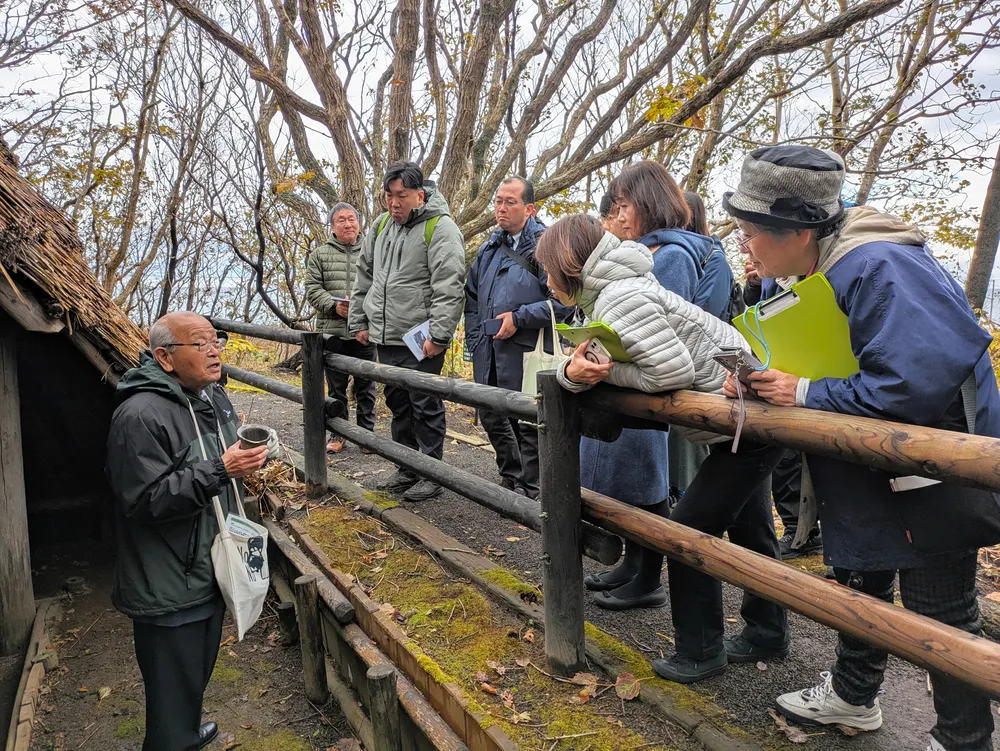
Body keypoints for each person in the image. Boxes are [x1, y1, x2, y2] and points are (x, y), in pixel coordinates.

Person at [722, 144, 1000, 749]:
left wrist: (804, 390)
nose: (745, 244)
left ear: (798, 231)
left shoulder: (881, 265)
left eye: (750, 231)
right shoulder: (829, 264)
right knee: (861, 572)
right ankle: (853, 695)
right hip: (874, 465)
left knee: (939, 607)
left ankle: (964, 740)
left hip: (931, 469)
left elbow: (911, 383)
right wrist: (764, 377)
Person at [536, 215, 789, 682]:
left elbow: (670, 373)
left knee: (688, 528)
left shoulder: (621, 296)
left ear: (571, 265)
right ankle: (767, 631)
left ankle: (700, 651)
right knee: (752, 528)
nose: (547, 282)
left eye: (550, 271)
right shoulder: (612, 291)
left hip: (746, 418)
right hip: (743, 416)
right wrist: (582, 372)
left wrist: (604, 373)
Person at [106, 312, 271, 751]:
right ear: (164, 357)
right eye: (200, 344)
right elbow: (144, 501)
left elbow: (222, 458)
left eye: (216, 341)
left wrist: (248, 458)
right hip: (168, 579)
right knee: (172, 686)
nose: (214, 351)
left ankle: (183, 732)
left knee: (194, 673)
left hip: (207, 565)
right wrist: (221, 469)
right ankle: (172, 740)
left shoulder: (211, 396)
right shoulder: (140, 416)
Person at [349, 161, 466, 502]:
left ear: (420, 195)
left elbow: (449, 284)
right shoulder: (381, 225)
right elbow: (364, 275)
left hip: (422, 339)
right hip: (385, 335)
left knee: (424, 403)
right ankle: (406, 467)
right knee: (397, 402)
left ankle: (431, 473)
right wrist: (359, 320)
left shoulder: (440, 228)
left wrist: (439, 336)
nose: (394, 203)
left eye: (401, 195)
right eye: (389, 195)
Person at [464, 177, 573, 498]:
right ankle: (511, 478)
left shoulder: (547, 245)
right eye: (498, 201)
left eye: (510, 202)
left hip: (528, 352)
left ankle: (532, 489)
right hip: (488, 351)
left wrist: (519, 317)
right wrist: (475, 339)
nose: (501, 208)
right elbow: (471, 298)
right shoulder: (488, 249)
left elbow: (565, 302)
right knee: (491, 415)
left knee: (528, 422)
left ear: (529, 209)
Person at [742, 262, 823, 558]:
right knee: (786, 460)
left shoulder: (810, 264)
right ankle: (799, 530)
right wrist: (754, 285)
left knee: (815, 461)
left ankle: (815, 536)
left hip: (809, 373)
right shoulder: (771, 268)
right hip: (780, 367)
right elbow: (759, 309)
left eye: (749, 239)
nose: (745, 248)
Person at [304, 202, 376, 454]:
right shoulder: (319, 255)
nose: (347, 224)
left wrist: (363, 310)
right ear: (333, 226)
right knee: (336, 389)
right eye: (341, 220)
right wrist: (334, 306)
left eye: (351, 219)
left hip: (364, 331)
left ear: (359, 223)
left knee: (366, 386)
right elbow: (312, 289)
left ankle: (366, 436)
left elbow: (382, 286)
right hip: (332, 333)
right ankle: (339, 433)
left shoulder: (371, 252)